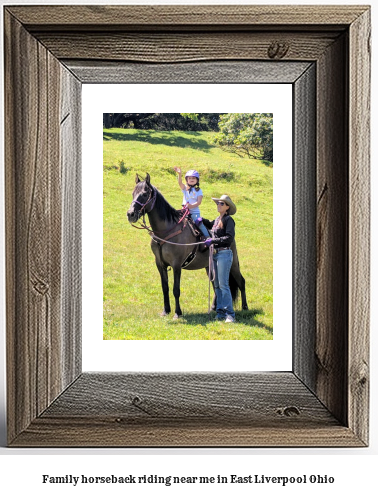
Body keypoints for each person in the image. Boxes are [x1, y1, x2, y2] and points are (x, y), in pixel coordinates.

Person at [202, 195, 237, 323]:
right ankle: (220, 312)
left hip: (224, 254)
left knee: (223, 285)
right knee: (216, 285)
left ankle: (230, 314)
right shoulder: (217, 219)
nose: (218, 205)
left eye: (221, 203)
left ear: (227, 207)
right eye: (218, 203)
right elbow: (211, 224)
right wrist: (201, 220)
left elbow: (229, 238)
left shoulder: (229, 220)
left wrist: (213, 241)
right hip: (215, 255)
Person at [173, 167, 210, 237]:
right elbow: (180, 183)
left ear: (197, 180)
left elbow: (199, 202)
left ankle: (208, 237)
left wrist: (191, 206)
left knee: (199, 224)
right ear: (187, 180)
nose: (191, 180)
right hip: (184, 211)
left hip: (194, 212)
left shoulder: (198, 190)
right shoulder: (185, 189)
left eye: (193, 178)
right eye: (189, 178)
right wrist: (179, 174)